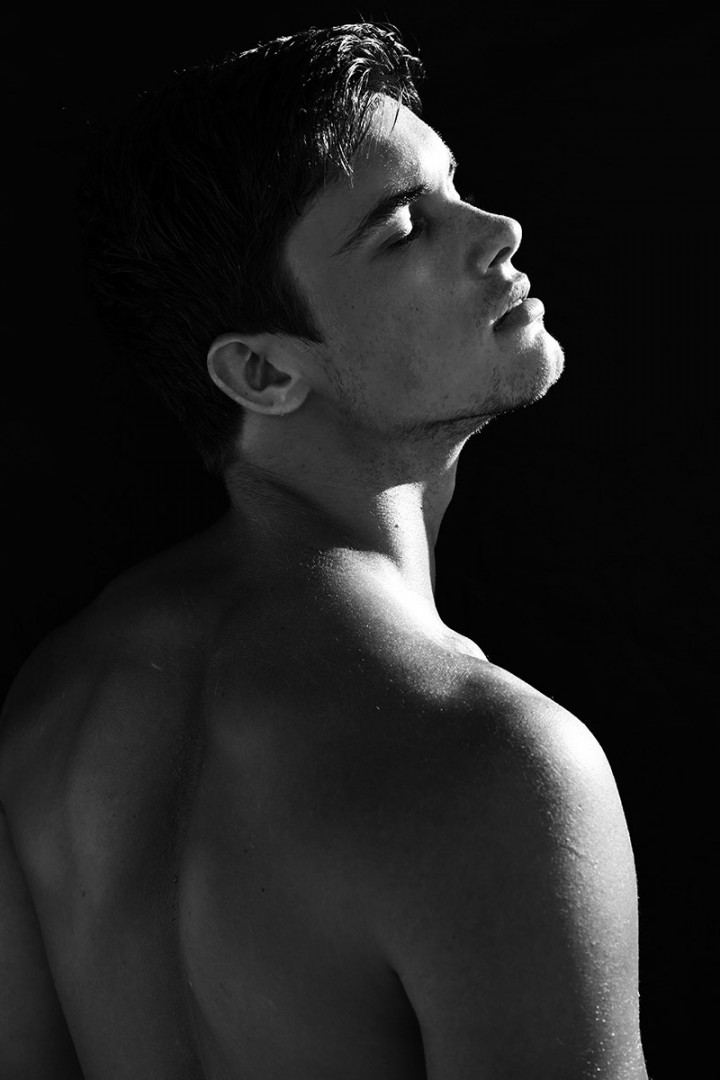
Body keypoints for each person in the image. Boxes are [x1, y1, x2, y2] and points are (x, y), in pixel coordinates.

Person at [0, 22, 648, 1079]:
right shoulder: (487, 763)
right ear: (262, 372)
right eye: (404, 229)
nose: (498, 230)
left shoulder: (51, 713)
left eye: (456, 188)